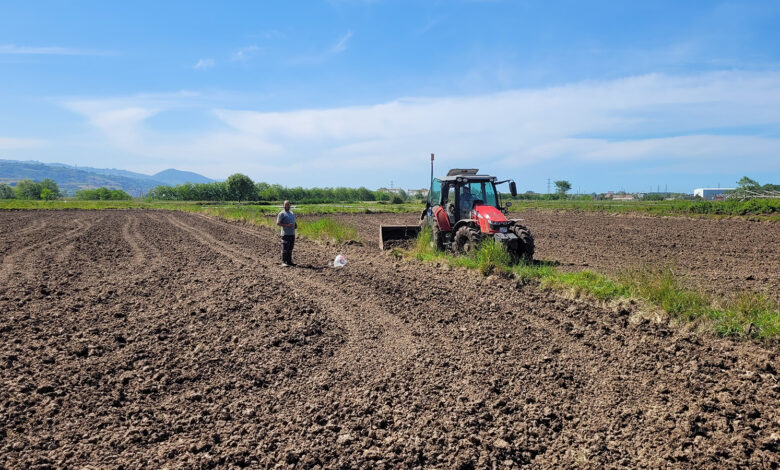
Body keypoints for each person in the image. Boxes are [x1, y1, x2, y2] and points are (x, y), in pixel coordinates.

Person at [276, 200, 298, 267]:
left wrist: (295, 224)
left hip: (292, 233)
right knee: (285, 249)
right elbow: (278, 223)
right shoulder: (281, 214)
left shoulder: (291, 213)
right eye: (286, 205)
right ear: (283, 206)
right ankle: (284, 262)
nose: (287, 206)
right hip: (285, 234)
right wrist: (287, 225)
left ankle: (289, 261)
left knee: (290, 248)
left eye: (288, 205)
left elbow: (293, 221)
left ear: (290, 205)